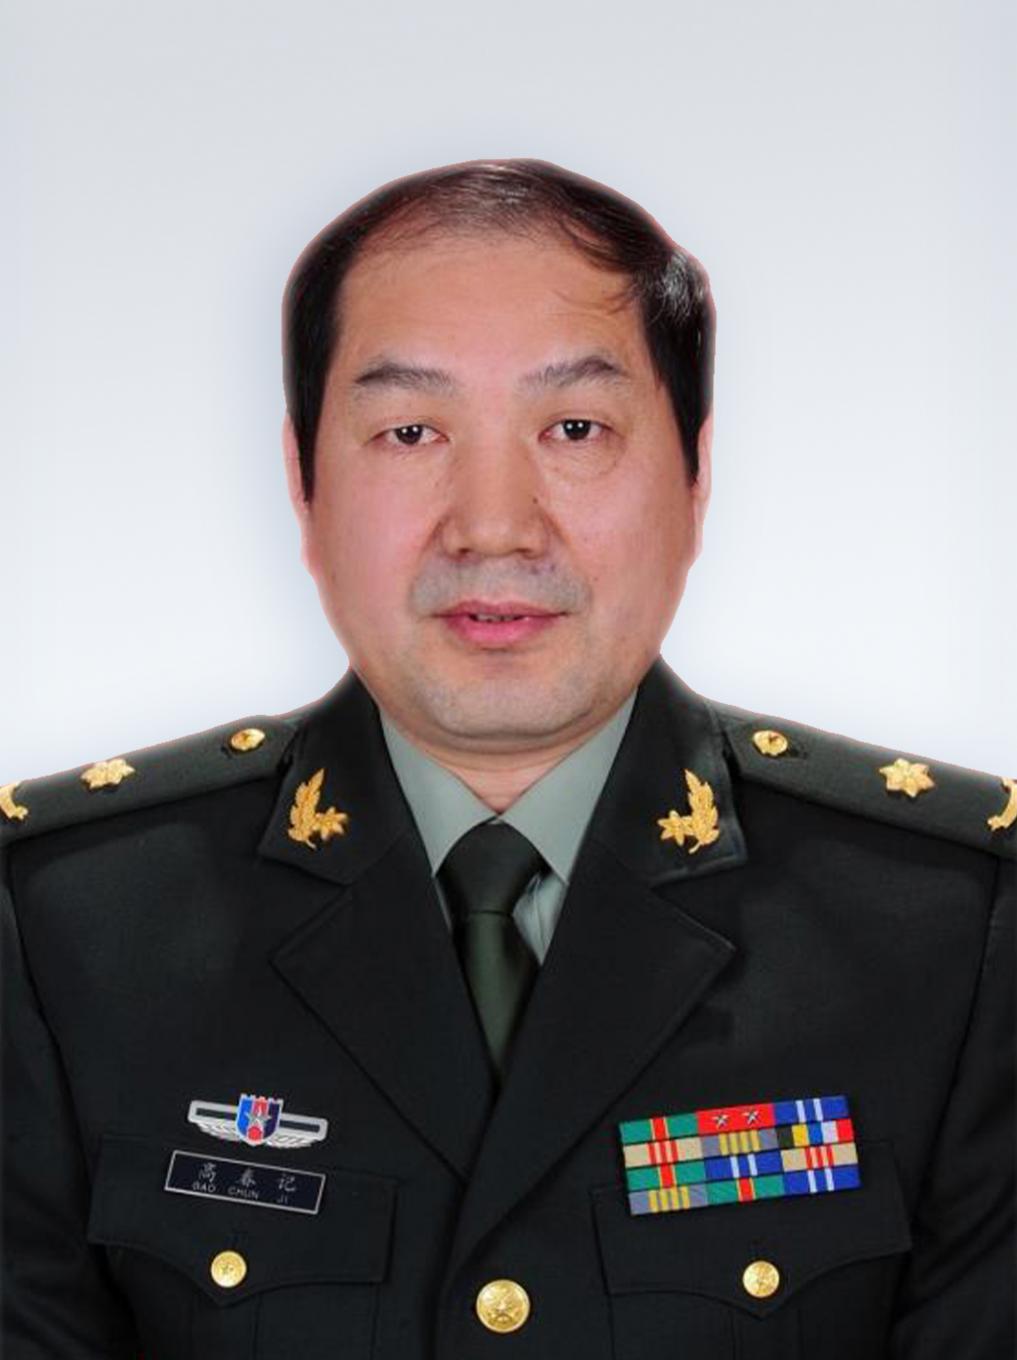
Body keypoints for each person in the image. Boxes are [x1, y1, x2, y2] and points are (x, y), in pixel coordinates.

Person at [2, 157, 1013, 1360]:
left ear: (697, 476)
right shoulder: (61, 925)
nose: (493, 525)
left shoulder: (955, 929)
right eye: (410, 430)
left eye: (576, 428)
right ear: (303, 483)